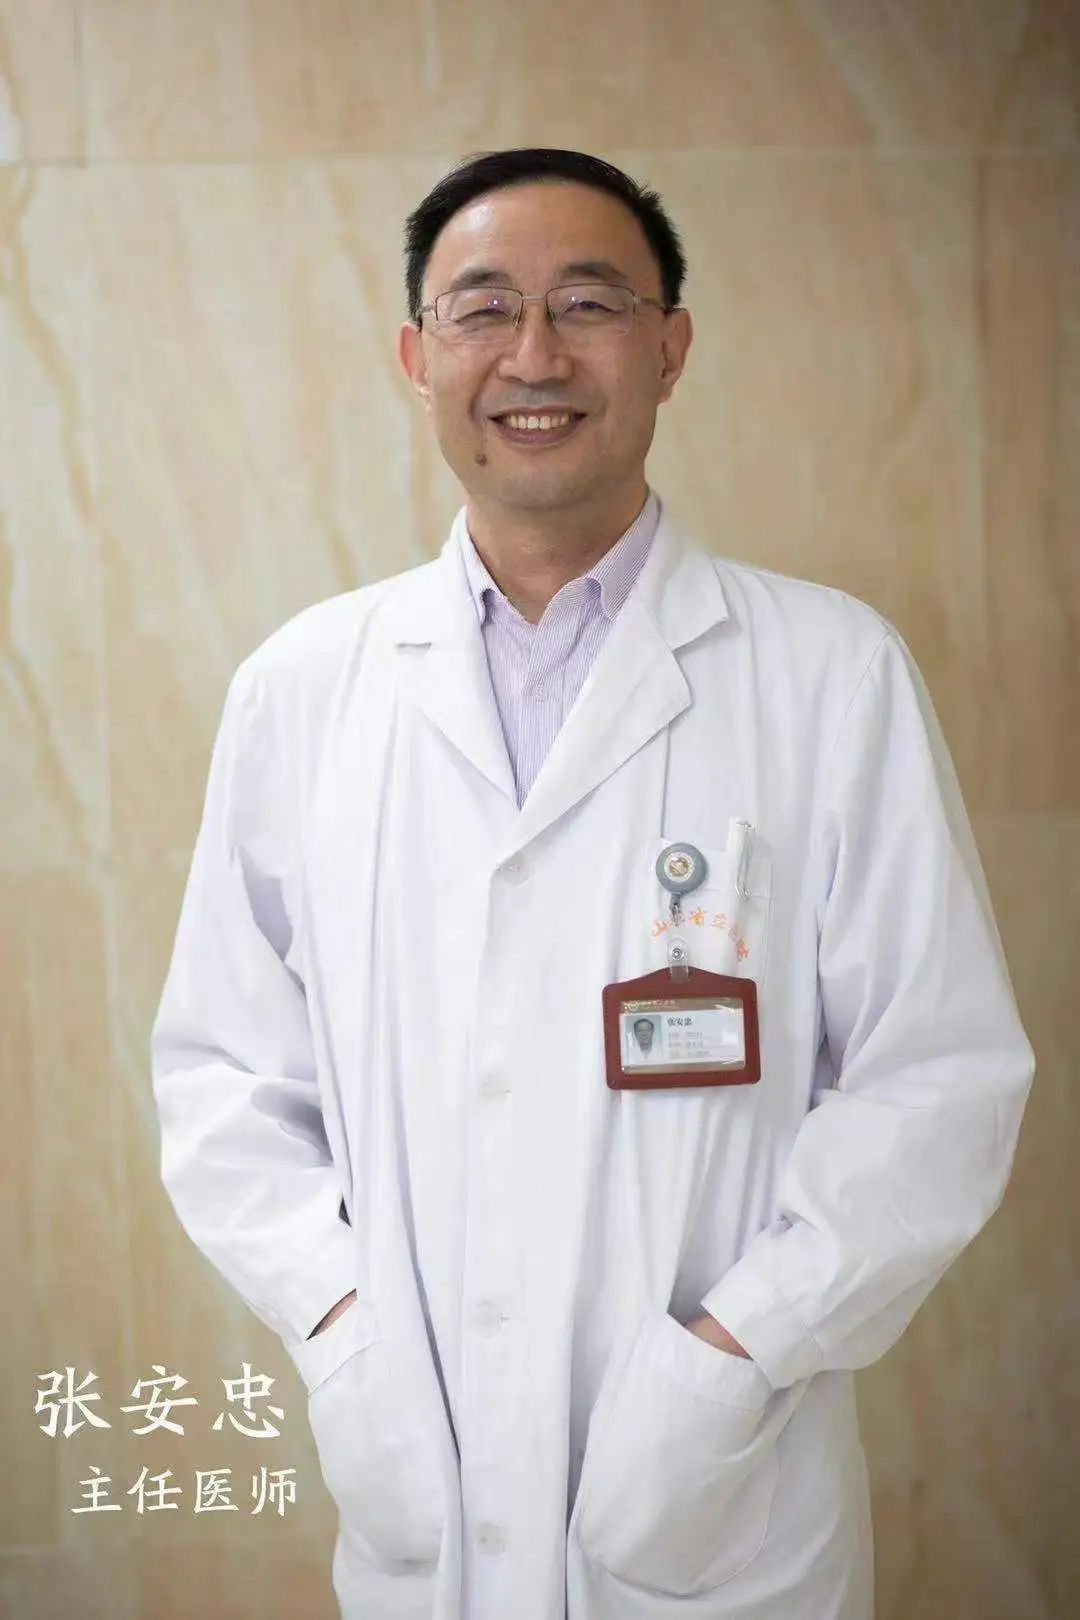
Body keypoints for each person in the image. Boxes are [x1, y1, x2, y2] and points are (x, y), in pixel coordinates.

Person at [151, 148, 1035, 1620]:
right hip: (422, 1476)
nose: (535, 355)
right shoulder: (303, 691)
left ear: (671, 348)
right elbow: (225, 1081)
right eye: (484, 307)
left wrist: (730, 1359)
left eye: (589, 303)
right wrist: (344, 1331)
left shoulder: (830, 675)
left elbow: (936, 1081)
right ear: (417, 357)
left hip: (720, 1500)